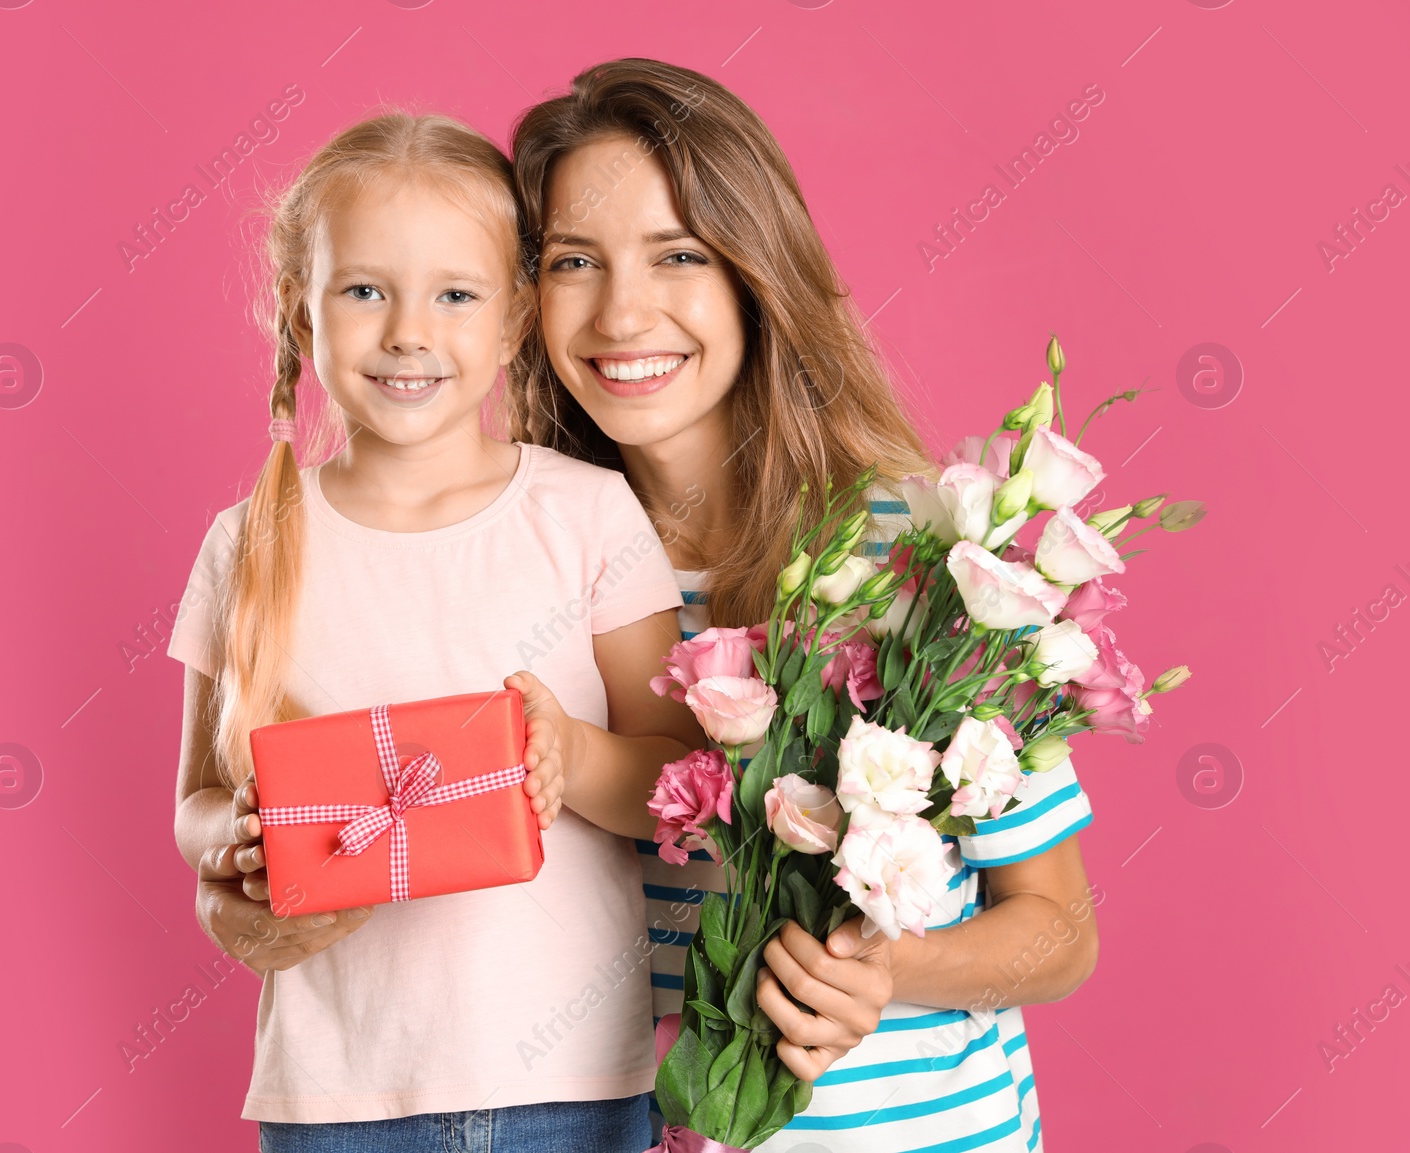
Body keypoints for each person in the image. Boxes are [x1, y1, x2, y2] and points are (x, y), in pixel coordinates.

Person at [507, 59, 1099, 1152]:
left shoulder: (918, 559)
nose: (620, 311)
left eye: (676, 254)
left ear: (754, 273)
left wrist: (890, 965)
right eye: (571, 262)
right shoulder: (523, 565)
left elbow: (1058, 931)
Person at [166, 111, 703, 1152]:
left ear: (510, 321)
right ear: (298, 311)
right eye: (365, 290)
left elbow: (673, 786)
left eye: (454, 296)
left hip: (569, 1077)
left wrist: (570, 758)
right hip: (334, 1094)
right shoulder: (248, 542)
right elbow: (193, 801)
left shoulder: (585, 515)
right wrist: (228, 840)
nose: (409, 331)